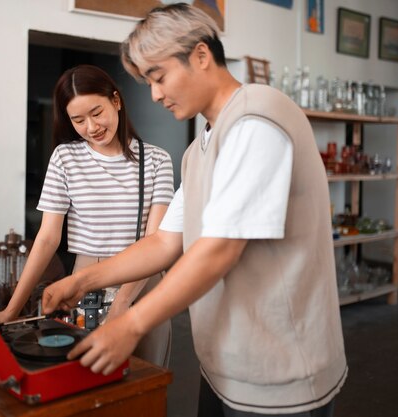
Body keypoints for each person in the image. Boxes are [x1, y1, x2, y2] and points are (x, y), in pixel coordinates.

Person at [42, 4, 347, 417]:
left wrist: (130, 324)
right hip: (226, 363)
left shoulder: (257, 119)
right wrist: (83, 281)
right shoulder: (198, 149)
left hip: (281, 372)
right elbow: (166, 243)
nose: (154, 93)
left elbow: (220, 249)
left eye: (159, 76)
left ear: (201, 56)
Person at [0, 64, 175, 367]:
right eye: (78, 120)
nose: (91, 127)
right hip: (86, 286)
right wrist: (12, 310)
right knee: (85, 385)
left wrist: (122, 306)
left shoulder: (156, 160)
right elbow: (48, 238)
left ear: (116, 101)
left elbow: (156, 242)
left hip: (142, 287)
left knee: (144, 386)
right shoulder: (65, 158)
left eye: (97, 112)